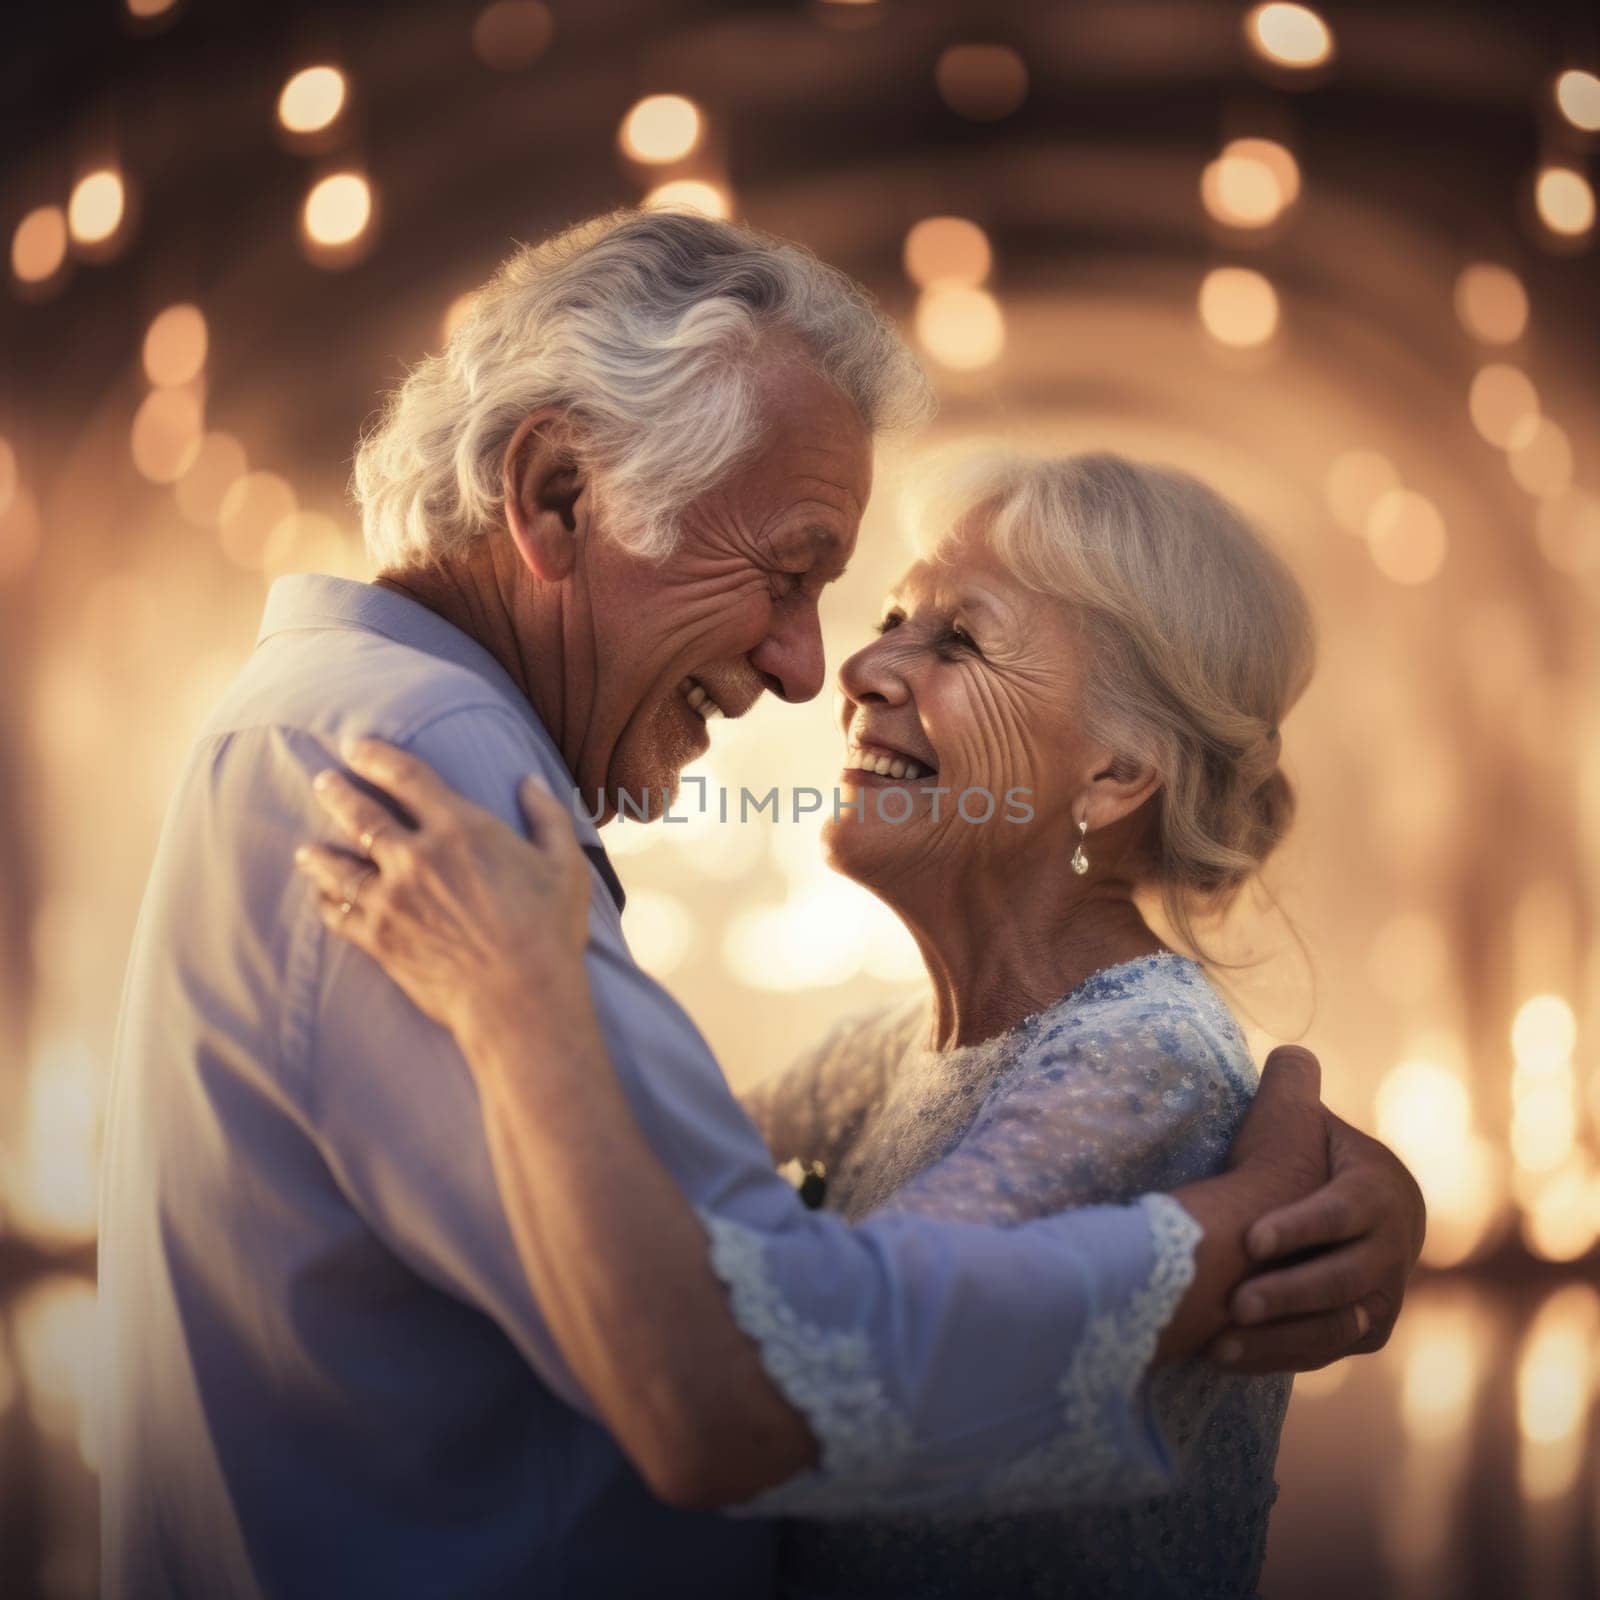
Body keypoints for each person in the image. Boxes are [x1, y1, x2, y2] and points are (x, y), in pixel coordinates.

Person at [99, 209, 1423, 1600]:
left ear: (1116, 774)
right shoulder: (426, 777)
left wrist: (1313, 1172)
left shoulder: (376, 746)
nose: (824, 669)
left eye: (953, 638)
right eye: (804, 580)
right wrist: (1237, 1230)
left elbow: (744, 1270)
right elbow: (759, 1363)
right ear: (557, 494)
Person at [299, 449, 1368, 1598]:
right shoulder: (897, 1052)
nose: (857, 667)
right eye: (898, 618)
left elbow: (802, 1360)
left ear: (1113, 774)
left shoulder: (1143, 1059)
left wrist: (518, 993)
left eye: (958, 640)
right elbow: (654, 1195)